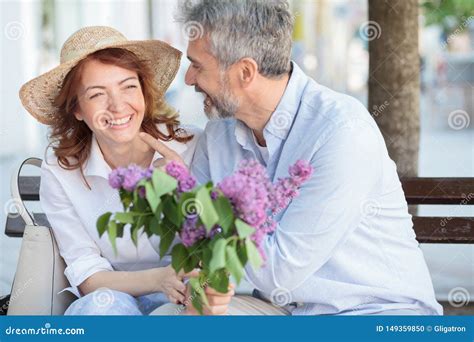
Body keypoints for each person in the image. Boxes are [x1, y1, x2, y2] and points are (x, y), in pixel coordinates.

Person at [152, 0, 443, 315]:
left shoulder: (341, 131)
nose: (189, 79)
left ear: (245, 72)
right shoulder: (218, 133)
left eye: (198, 66)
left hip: (375, 312)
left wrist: (200, 202)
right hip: (285, 312)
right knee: (169, 317)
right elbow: (199, 246)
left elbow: (279, 274)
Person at [19, 26, 232, 315]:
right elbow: (87, 275)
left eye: (128, 86)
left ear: (144, 92)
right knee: (98, 309)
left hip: (186, 293)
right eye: (96, 94)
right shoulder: (60, 172)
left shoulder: (191, 145)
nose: (118, 106)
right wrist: (158, 279)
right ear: (77, 109)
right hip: (114, 295)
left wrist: (186, 192)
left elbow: (219, 242)